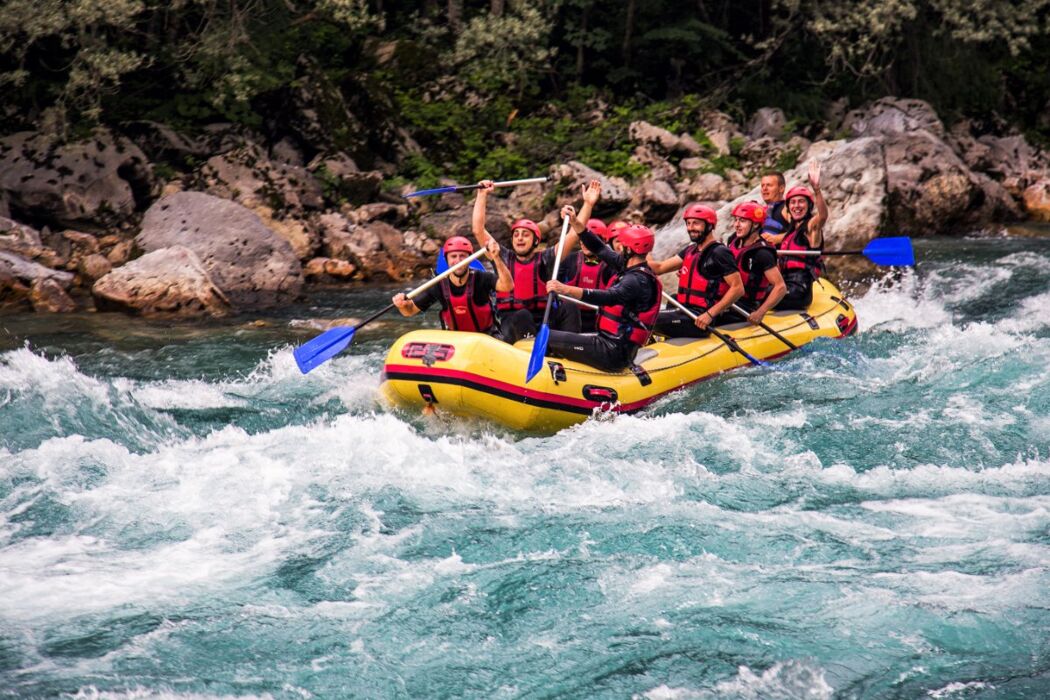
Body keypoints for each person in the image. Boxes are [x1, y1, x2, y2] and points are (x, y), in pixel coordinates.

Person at [473, 179, 599, 343]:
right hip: (512, 325)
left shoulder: (546, 259)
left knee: (569, 307)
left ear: (535, 241)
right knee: (522, 315)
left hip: (543, 323)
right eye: (516, 235)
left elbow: (574, 235)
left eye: (525, 235)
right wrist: (481, 195)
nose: (519, 238)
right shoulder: (501, 256)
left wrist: (588, 204)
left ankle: (569, 349)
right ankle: (529, 350)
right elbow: (478, 229)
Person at [544, 225, 662, 373]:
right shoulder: (629, 266)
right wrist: (576, 222)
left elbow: (609, 297)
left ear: (630, 250)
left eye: (622, 245)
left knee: (547, 338)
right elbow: (600, 248)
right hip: (612, 345)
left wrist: (566, 289)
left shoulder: (636, 281)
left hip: (612, 352)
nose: (618, 248)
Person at [647, 203, 743, 338]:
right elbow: (660, 268)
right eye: (689, 223)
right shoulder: (691, 250)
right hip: (686, 310)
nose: (691, 228)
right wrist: (627, 262)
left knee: (650, 319)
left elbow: (738, 288)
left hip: (700, 318)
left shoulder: (720, 252)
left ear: (710, 225)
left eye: (696, 223)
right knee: (667, 302)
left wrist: (710, 314)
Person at [392, 236, 512, 333]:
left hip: (487, 337)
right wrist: (403, 305)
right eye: (453, 256)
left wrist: (496, 258)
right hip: (457, 343)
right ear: (447, 260)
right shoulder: (439, 285)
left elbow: (508, 286)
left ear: (469, 259)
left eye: (462, 256)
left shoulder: (481, 278)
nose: (458, 260)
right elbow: (409, 311)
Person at [771, 161, 829, 311]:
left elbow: (822, 216)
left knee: (757, 298)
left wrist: (816, 189)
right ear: (788, 208)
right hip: (784, 284)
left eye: (801, 202)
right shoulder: (789, 233)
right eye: (793, 203)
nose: (797, 206)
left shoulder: (811, 228)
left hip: (799, 290)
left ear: (809, 206)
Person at [727, 200, 786, 325]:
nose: (736, 225)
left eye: (742, 221)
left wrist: (760, 312)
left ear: (755, 225)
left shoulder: (762, 253)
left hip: (744, 307)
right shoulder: (733, 241)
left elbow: (780, 287)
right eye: (736, 220)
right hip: (727, 298)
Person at [560, 217, 621, 331]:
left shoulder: (611, 266)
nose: (584, 242)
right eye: (582, 239)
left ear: (601, 242)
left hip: (598, 318)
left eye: (590, 239)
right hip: (570, 317)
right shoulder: (569, 260)